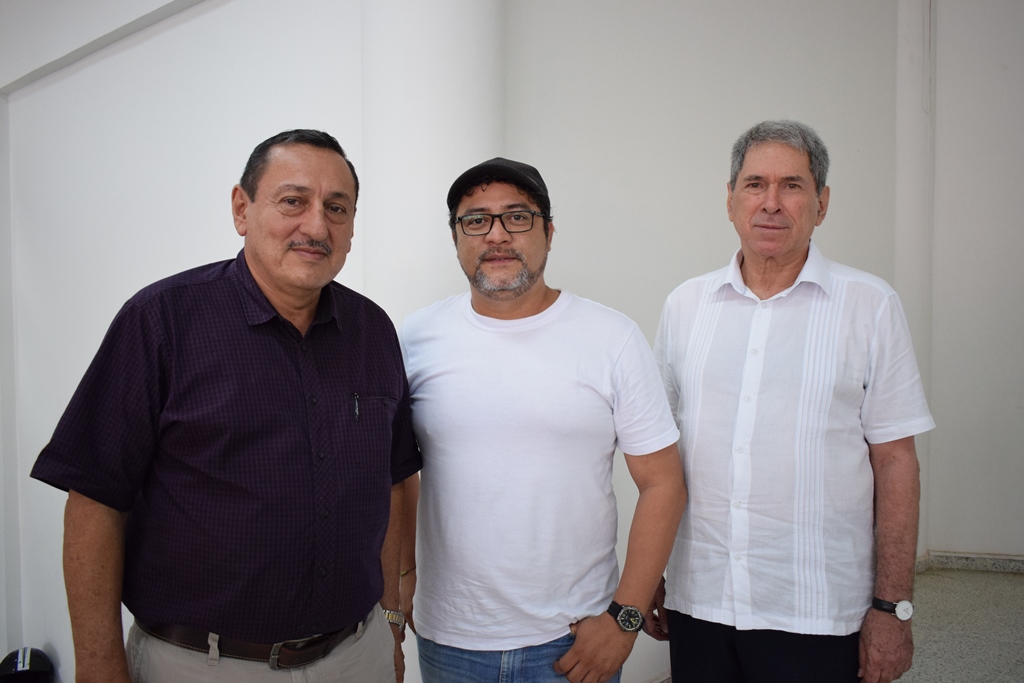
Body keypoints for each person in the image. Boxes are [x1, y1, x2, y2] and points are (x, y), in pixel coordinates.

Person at [31, 129, 421, 683]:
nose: (316, 226)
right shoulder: (161, 321)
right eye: (293, 201)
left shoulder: (373, 331)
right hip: (202, 664)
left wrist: (390, 613)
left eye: (337, 208)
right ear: (242, 208)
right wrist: (98, 666)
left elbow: (390, 480)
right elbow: (94, 500)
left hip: (357, 657)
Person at [652, 120, 935, 683]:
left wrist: (892, 607)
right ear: (730, 200)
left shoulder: (870, 305)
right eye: (755, 184)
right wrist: (652, 572)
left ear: (822, 203)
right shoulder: (686, 305)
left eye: (793, 185)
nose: (772, 203)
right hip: (700, 600)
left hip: (819, 611)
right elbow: (664, 457)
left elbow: (896, 461)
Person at [399, 157, 687, 683]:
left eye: (517, 216)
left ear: (549, 232)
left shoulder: (612, 338)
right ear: (456, 237)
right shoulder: (413, 340)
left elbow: (663, 482)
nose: (497, 235)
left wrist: (624, 618)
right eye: (476, 220)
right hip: (450, 640)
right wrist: (404, 582)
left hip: (573, 640)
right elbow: (399, 475)